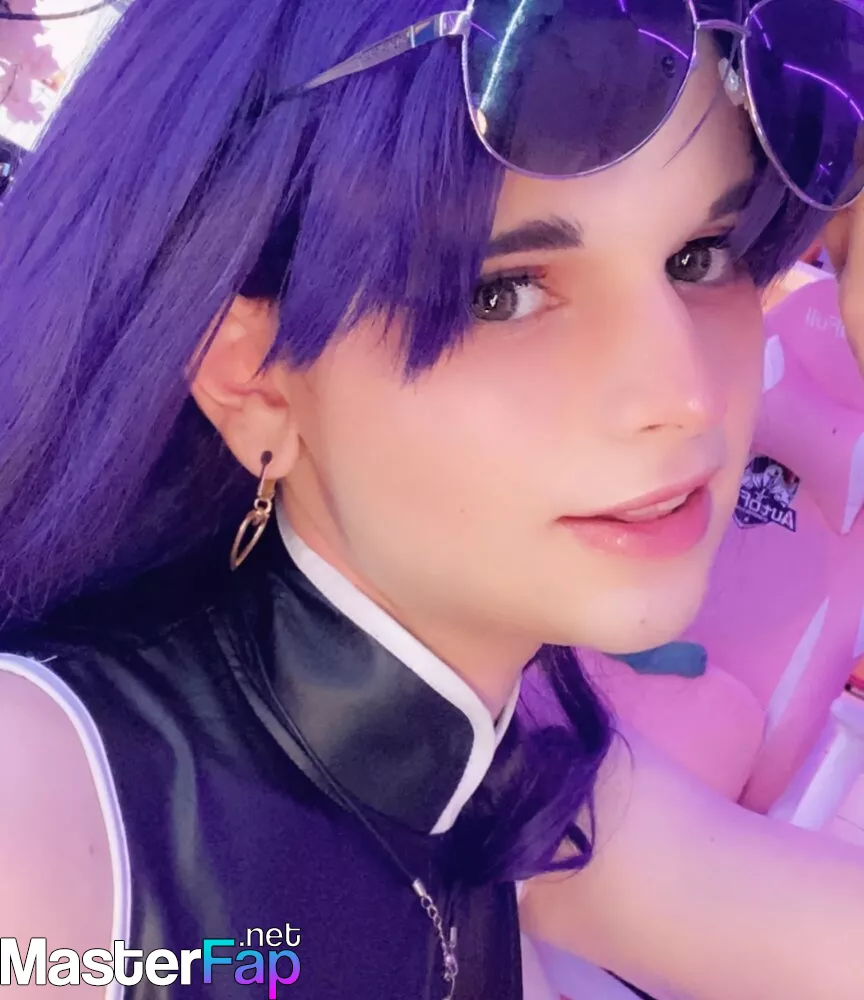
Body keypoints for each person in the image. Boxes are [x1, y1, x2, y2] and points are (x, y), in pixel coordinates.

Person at [1, 1, 864, 998]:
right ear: (256, 383)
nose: (684, 396)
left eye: (698, 256)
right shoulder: (46, 815)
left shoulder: (521, 793)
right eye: (505, 292)